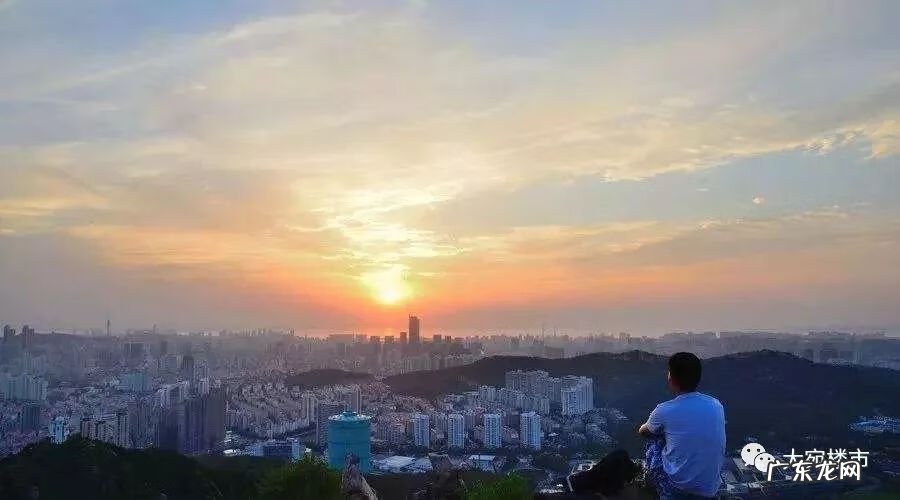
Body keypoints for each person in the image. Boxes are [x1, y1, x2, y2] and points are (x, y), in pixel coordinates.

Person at [638, 352, 725, 499]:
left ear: (671, 378)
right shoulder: (716, 404)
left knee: (655, 441)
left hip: (678, 489)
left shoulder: (664, 409)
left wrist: (663, 433)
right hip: (710, 489)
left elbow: (643, 431)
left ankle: (653, 484)